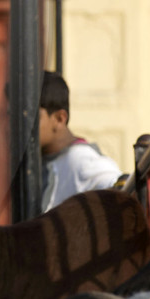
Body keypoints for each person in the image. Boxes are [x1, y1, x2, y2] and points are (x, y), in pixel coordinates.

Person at [38, 70, 121, 211]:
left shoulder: (82, 162)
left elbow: (119, 191)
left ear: (59, 119)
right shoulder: (38, 161)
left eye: (32, 118)